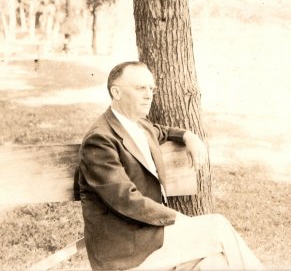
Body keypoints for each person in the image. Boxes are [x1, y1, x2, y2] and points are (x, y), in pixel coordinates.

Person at [78, 61, 264, 271]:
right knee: (218, 227)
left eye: (151, 88)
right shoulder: (100, 139)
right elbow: (125, 199)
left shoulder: (140, 125)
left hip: (149, 237)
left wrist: (187, 135)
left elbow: (162, 131)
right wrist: (177, 219)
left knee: (215, 264)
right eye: (140, 88)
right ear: (116, 92)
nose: (149, 95)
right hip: (123, 250)